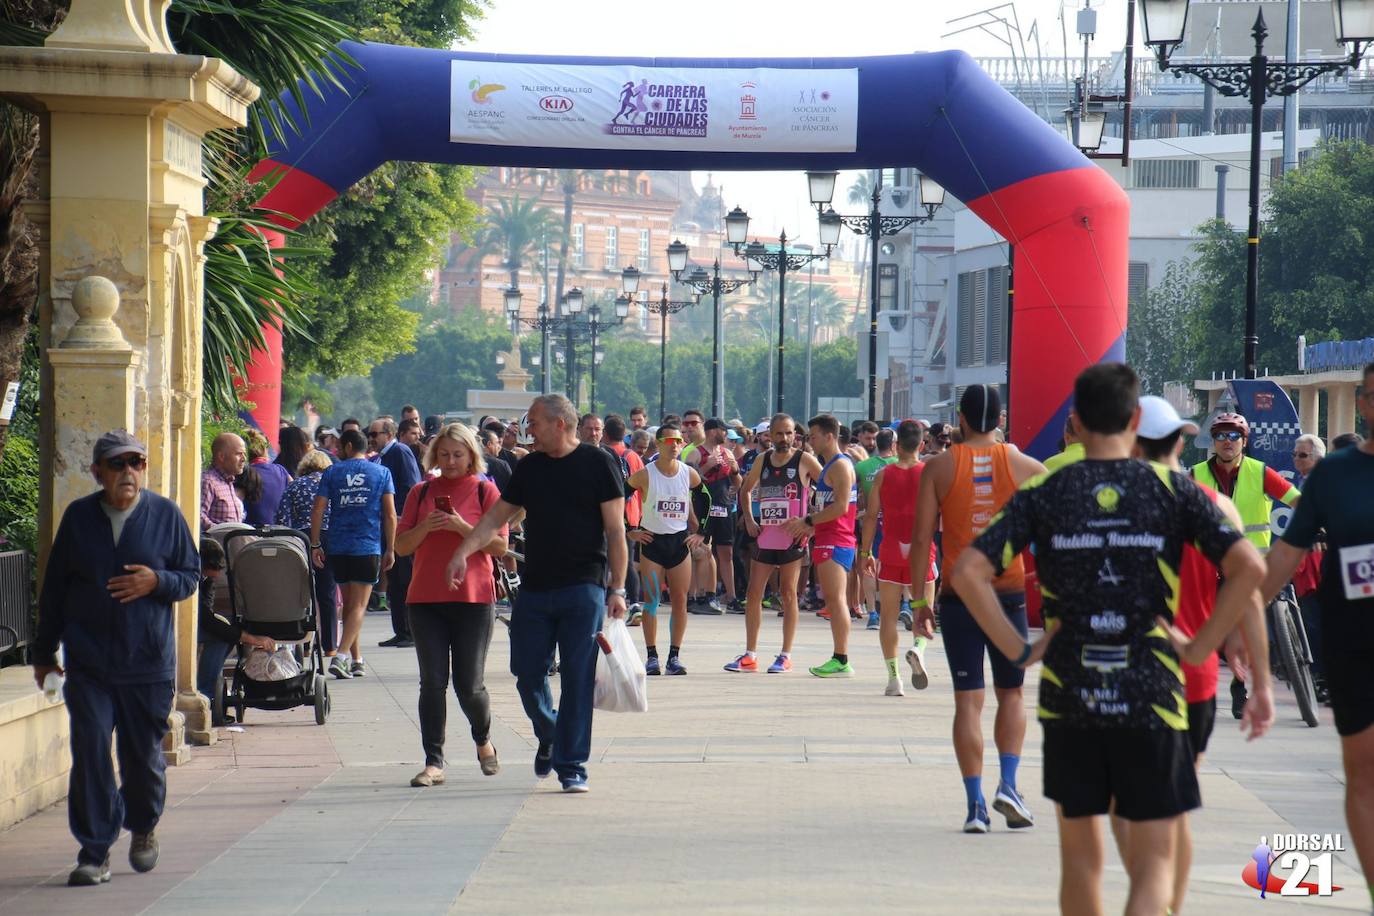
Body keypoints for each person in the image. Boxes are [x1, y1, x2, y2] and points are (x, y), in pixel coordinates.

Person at [950, 363, 1269, 915]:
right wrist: (1199, 647)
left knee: (1080, 862)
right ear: (1135, 418)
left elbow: (966, 572)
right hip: (1152, 694)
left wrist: (1017, 649)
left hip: (1070, 694)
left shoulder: (1047, 489)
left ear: (1074, 420)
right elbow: (1248, 568)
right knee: (1152, 867)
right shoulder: (1172, 488)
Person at [1118, 395, 1272, 915]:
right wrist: (1262, 685)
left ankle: (1150, 896)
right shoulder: (1214, 504)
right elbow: (1251, 588)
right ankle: (1166, 904)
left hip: (1126, 676)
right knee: (1174, 803)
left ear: (1130, 441)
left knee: (1131, 806)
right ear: (1182, 442)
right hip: (1196, 676)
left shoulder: (1106, 505)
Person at [32, 430, 200, 886]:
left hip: (146, 662)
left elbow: (191, 575)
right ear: (98, 472)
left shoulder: (164, 515)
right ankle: (94, 849)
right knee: (90, 750)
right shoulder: (79, 517)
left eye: (137, 462)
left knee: (142, 758)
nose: (129, 471)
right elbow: (55, 589)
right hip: (89, 662)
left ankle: (143, 825)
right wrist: (43, 653)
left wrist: (157, 582)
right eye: (119, 464)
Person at [445, 394, 627, 793]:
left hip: (585, 587)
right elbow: (496, 517)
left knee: (577, 679)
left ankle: (572, 765)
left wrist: (618, 587)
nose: (529, 430)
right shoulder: (528, 467)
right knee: (527, 675)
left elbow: (616, 530)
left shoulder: (599, 463)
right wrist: (463, 550)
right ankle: (551, 734)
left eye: (535, 422)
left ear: (560, 423)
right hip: (536, 588)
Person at [1260, 362, 1374, 907]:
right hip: (1354, 642)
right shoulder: (1336, 474)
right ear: (1364, 403)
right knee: (1363, 772)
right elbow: (1285, 551)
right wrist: (1244, 616)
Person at [910, 383, 1046, 833]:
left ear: (961, 420)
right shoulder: (1028, 467)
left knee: (968, 702)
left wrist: (918, 602)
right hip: (1006, 596)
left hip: (957, 599)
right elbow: (1050, 540)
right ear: (1001, 419)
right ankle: (1008, 784)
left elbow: (922, 541)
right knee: (1012, 694)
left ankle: (975, 807)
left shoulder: (939, 467)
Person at [395, 423, 507, 787]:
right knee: (432, 683)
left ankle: (483, 739)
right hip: (425, 598)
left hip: (473, 599)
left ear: (472, 455)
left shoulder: (484, 491)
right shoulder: (420, 491)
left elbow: (500, 547)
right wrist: (427, 526)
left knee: (469, 684)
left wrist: (461, 527)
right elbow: (401, 547)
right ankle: (433, 760)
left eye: (458, 454)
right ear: (433, 456)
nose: (451, 461)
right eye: (443, 455)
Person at [1192, 411, 1300, 718]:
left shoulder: (1260, 472)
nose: (1228, 442)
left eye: (1234, 435)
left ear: (1244, 440)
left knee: (1242, 624)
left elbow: (1296, 500)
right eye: (1221, 436)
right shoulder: (1196, 473)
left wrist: (1314, 525)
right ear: (1213, 441)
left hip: (1251, 565)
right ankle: (1204, 685)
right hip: (1209, 564)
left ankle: (1240, 690)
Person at [727, 413, 822, 674]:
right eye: (778, 433)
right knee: (754, 593)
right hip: (766, 537)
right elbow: (746, 490)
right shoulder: (763, 460)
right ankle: (750, 655)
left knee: (788, 594)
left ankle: (785, 655)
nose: (784, 438)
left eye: (789, 433)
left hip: (792, 538)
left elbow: (830, 488)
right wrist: (748, 518)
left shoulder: (804, 459)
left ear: (795, 435)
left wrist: (812, 523)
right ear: (769, 435)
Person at [860, 420, 937, 696]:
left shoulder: (883, 475)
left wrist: (864, 552)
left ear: (896, 445)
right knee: (922, 609)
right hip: (921, 551)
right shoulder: (929, 473)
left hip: (891, 550)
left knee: (888, 617)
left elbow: (870, 517)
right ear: (922, 444)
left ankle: (894, 679)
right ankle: (918, 648)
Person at [311, 429, 396, 679]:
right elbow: (390, 514)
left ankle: (356, 660)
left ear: (348, 447)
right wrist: (391, 547)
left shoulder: (332, 471)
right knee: (359, 606)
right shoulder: (382, 473)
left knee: (349, 605)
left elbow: (318, 510)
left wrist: (315, 544)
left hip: (337, 546)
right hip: (366, 546)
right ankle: (341, 655)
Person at [627, 424, 704, 675]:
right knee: (652, 601)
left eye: (678, 441)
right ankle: (651, 656)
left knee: (680, 601)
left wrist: (702, 532)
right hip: (652, 543)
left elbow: (706, 498)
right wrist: (631, 528)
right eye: (669, 441)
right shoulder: (645, 474)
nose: (674, 445)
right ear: (658, 444)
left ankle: (674, 656)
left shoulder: (688, 473)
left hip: (679, 543)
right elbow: (618, 497)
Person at [195, 538, 275, 725]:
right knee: (221, 637)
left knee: (226, 633)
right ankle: (206, 693)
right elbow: (205, 619)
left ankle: (208, 691)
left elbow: (207, 611)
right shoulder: (195, 575)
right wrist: (248, 637)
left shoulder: (206, 580)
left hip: (198, 620)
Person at [275, 449, 341, 665]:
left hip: (300, 538)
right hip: (330, 537)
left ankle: (303, 644)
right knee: (328, 593)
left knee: (302, 594)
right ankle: (330, 647)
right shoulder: (333, 484)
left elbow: (282, 518)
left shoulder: (295, 485)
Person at [370, 417, 422, 650]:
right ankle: (400, 630)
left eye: (375, 434)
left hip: (401, 525)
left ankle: (410, 630)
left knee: (405, 578)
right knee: (394, 580)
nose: (371, 439)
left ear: (389, 434)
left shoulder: (400, 452)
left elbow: (411, 486)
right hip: (387, 524)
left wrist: (402, 516)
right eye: (370, 435)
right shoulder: (382, 457)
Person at [855, 428, 899, 630]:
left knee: (868, 566)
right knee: (898, 566)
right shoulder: (901, 465)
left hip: (869, 523)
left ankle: (872, 613)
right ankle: (903, 606)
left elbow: (852, 492)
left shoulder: (863, 466)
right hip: (895, 523)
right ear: (894, 445)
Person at [699, 418, 743, 614]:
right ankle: (701, 595)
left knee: (727, 553)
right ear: (711, 431)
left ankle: (731, 596)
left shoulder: (728, 453)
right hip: (704, 508)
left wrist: (734, 470)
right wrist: (707, 466)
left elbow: (738, 482)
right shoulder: (696, 452)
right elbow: (688, 479)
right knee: (703, 551)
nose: (725, 434)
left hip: (725, 507)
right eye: (722, 430)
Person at [242, 428, 291, 527]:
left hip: (250, 532)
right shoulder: (281, 471)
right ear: (265, 449)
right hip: (280, 531)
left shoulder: (243, 473)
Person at [200, 432, 246, 530]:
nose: (243, 459)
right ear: (221, 456)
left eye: (244, 454)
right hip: (219, 542)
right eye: (239, 454)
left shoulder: (227, 481)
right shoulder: (208, 481)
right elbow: (198, 516)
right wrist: (222, 532)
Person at [478, 428, 513, 492]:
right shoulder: (501, 465)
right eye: (497, 443)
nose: (499, 446)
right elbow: (513, 489)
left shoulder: (470, 463)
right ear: (489, 444)